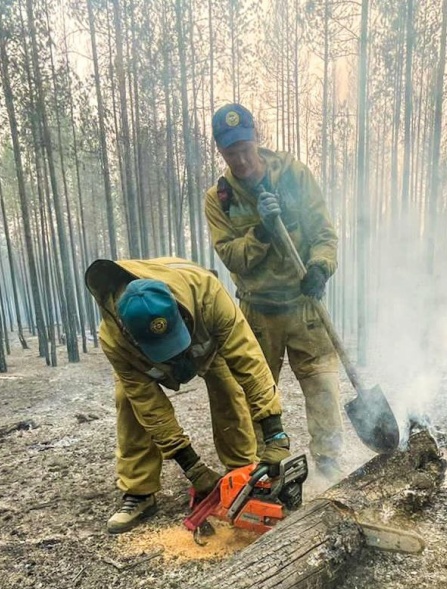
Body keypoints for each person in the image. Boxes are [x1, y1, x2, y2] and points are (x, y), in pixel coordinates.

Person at [84, 257, 292, 534]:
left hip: (208, 348)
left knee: (228, 388)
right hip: (144, 372)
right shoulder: (113, 339)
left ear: (179, 312)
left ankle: (240, 473)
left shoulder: (207, 292)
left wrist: (274, 431)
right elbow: (151, 407)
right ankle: (139, 491)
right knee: (130, 402)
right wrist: (192, 467)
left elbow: (249, 362)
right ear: (131, 335)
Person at [204, 103, 344, 481]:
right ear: (221, 151)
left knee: (323, 389)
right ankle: (256, 474)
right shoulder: (219, 199)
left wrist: (320, 267)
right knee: (254, 396)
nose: (242, 161)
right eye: (232, 154)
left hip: (304, 306)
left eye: (246, 149)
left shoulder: (294, 176)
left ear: (256, 139)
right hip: (258, 313)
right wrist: (262, 233)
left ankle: (330, 469)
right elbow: (232, 257)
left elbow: (324, 234)